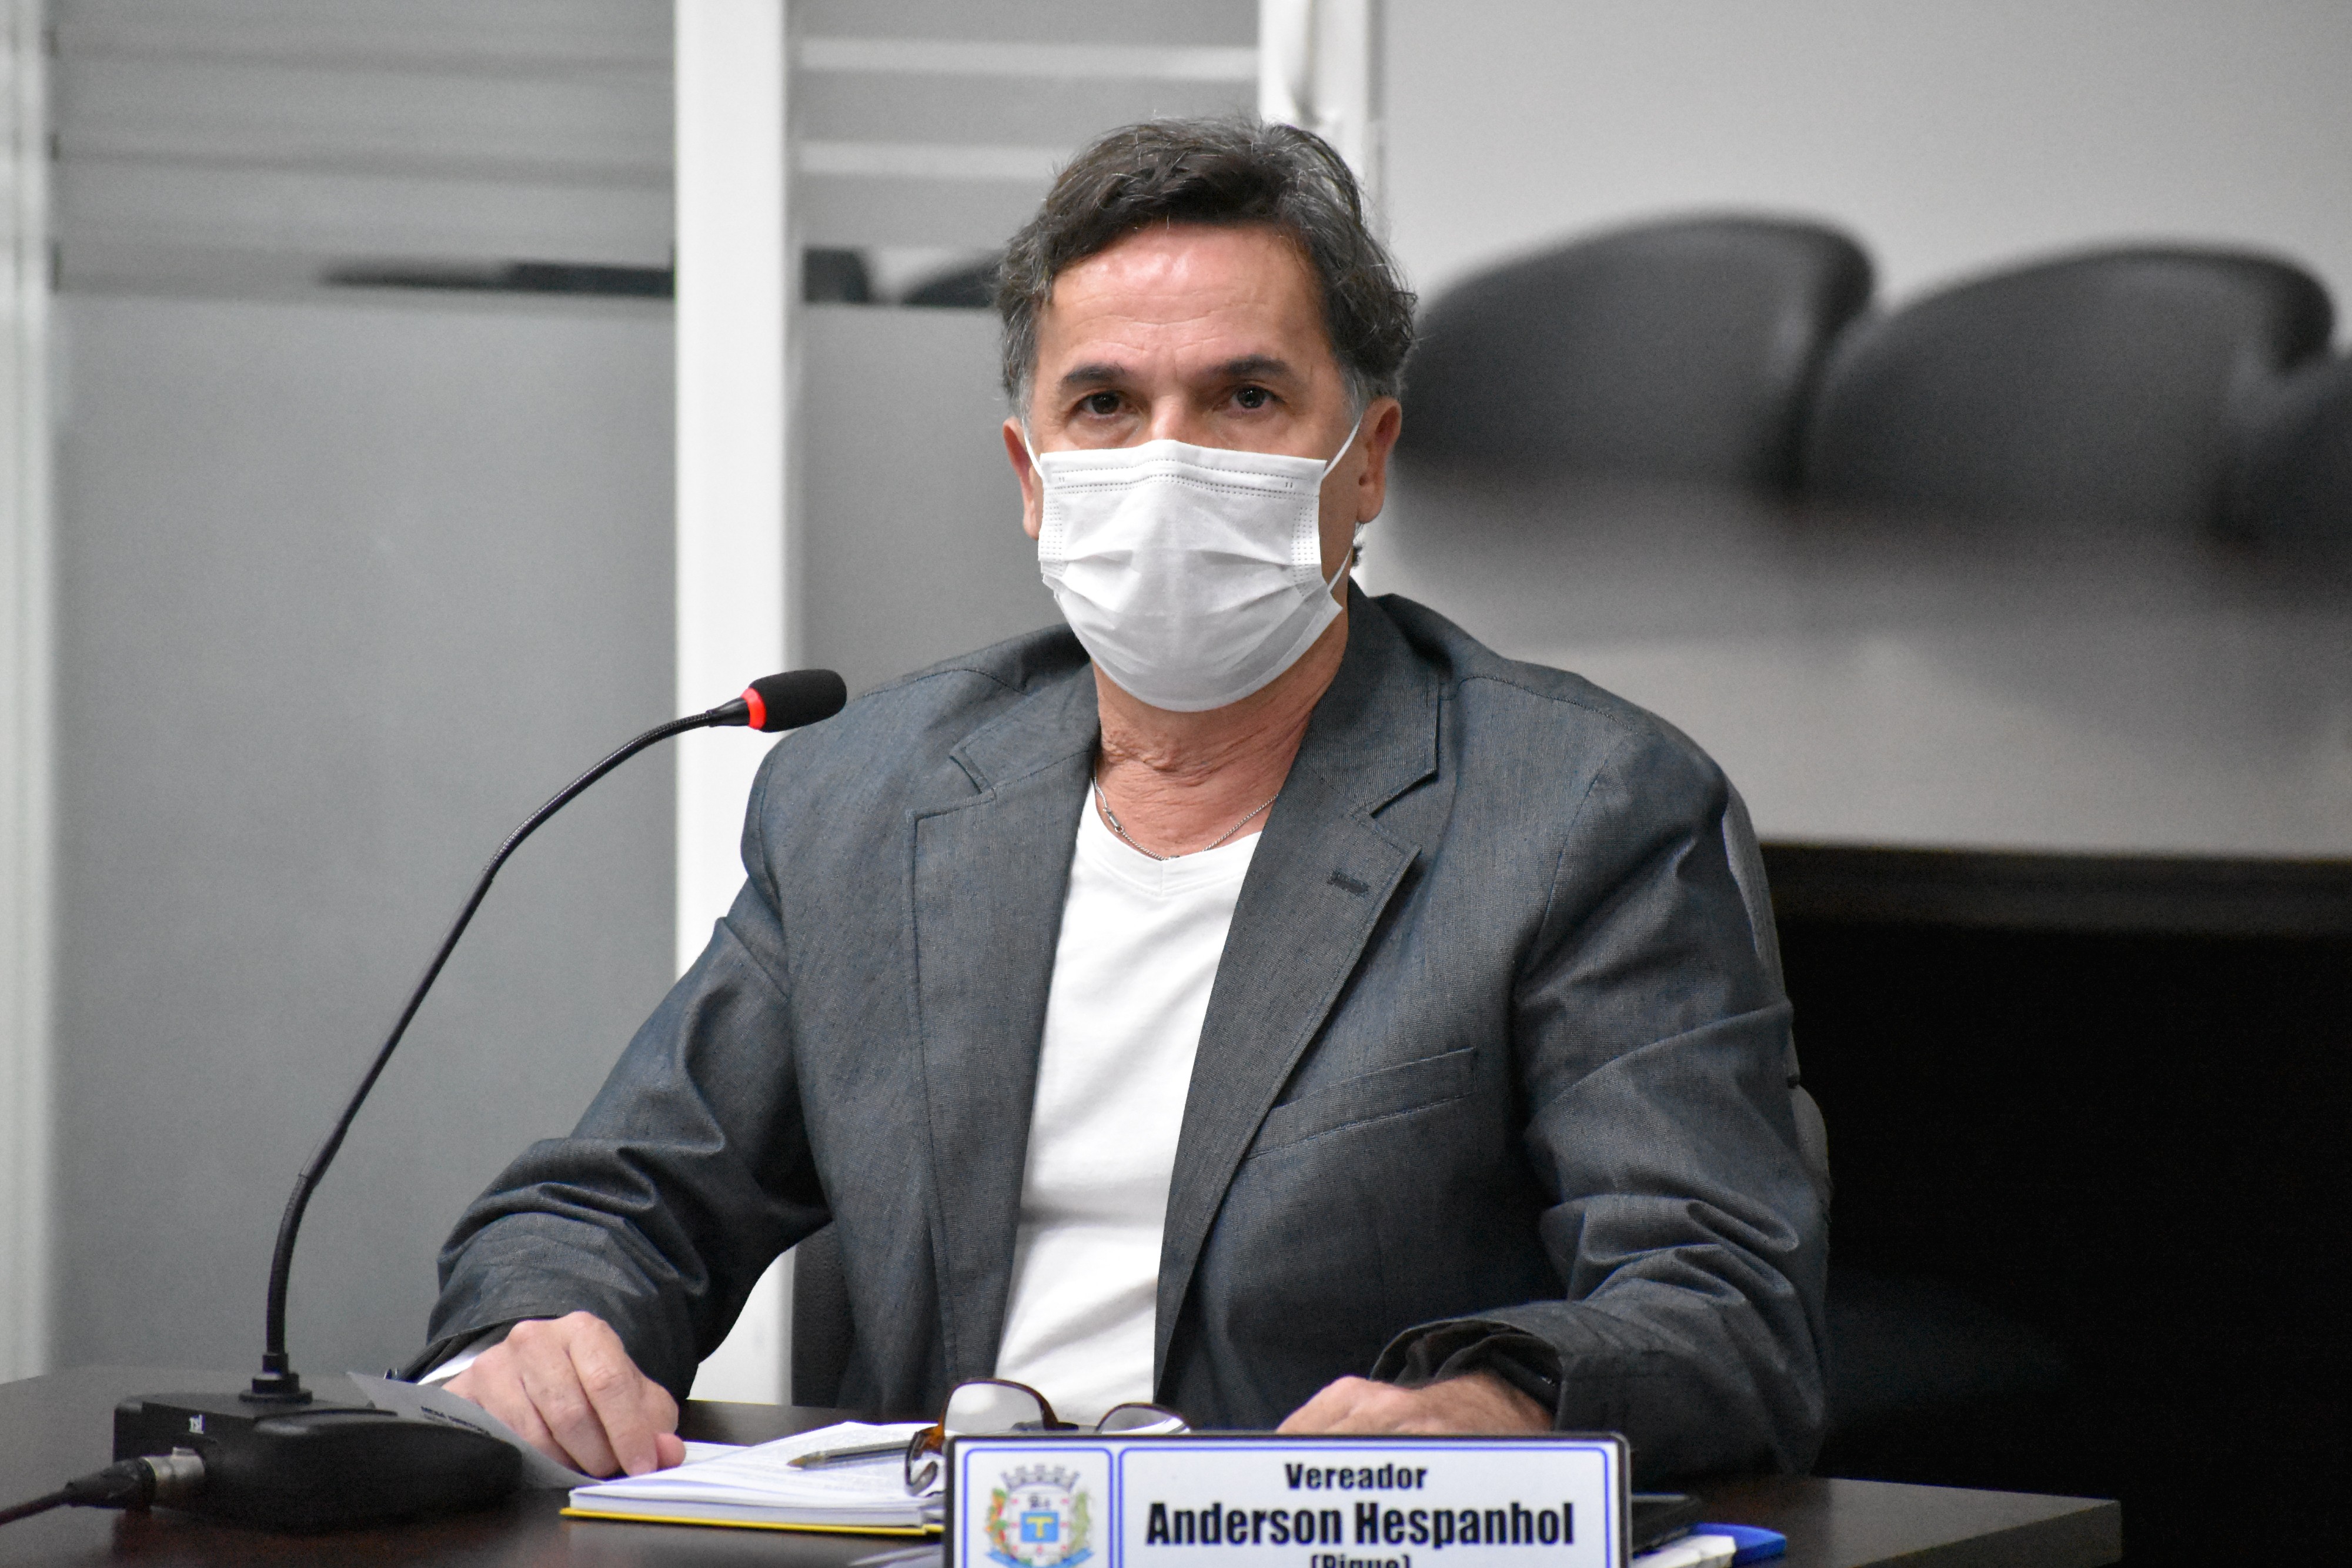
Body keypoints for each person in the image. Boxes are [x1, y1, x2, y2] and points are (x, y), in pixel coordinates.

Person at [415, 118, 1827, 1485]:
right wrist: (546, 1333)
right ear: (1031, 476)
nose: (1167, 461)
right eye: (1104, 406)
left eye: (1244, 398)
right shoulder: (869, 798)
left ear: (1367, 459)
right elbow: (616, 1202)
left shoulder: (1577, 811)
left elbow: (1722, 1303)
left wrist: (1498, 1400)